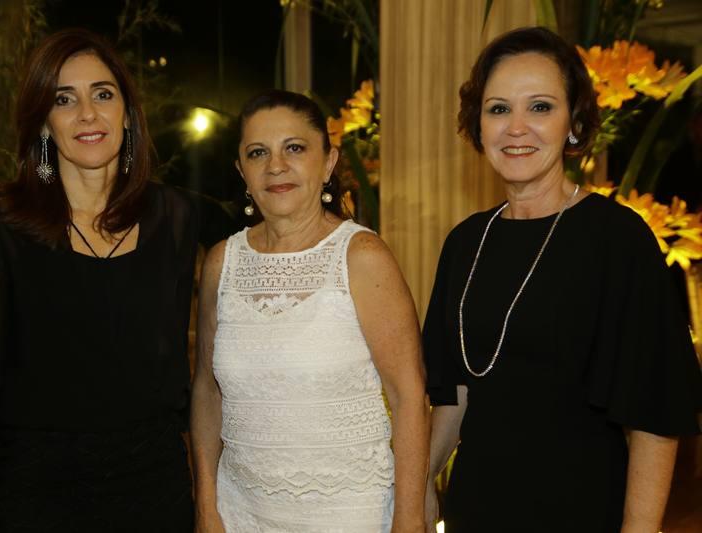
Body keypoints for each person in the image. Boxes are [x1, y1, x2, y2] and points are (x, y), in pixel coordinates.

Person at [422, 26, 702, 533]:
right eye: (499, 108)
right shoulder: (465, 242)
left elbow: (655, 415)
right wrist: (416, 486)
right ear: (478, 124)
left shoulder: (618, 239)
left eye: (540, 107)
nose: (516, 128)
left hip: (582, 512)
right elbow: (455, 396)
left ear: (573, 122)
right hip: (475, 514)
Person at [0, 29, 197, 532]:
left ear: (128, 112)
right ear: (43, 121)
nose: (88, 114)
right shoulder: (0, 225)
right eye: (64, 99)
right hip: (35, 496)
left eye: (103, 94)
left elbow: (273, 223)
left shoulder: (175, 217)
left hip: (155, 492)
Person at [190, 90, 429, 532]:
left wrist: (409, 521)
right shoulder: (222, 262)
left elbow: (408, 396)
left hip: (349, 515)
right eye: (258, 153)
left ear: (329, 162)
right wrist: (206, 506)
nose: (275, 166)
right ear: (242, 172)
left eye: (295, 148)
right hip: (242, 514)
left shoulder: (362, 256)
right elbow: (207, 391)